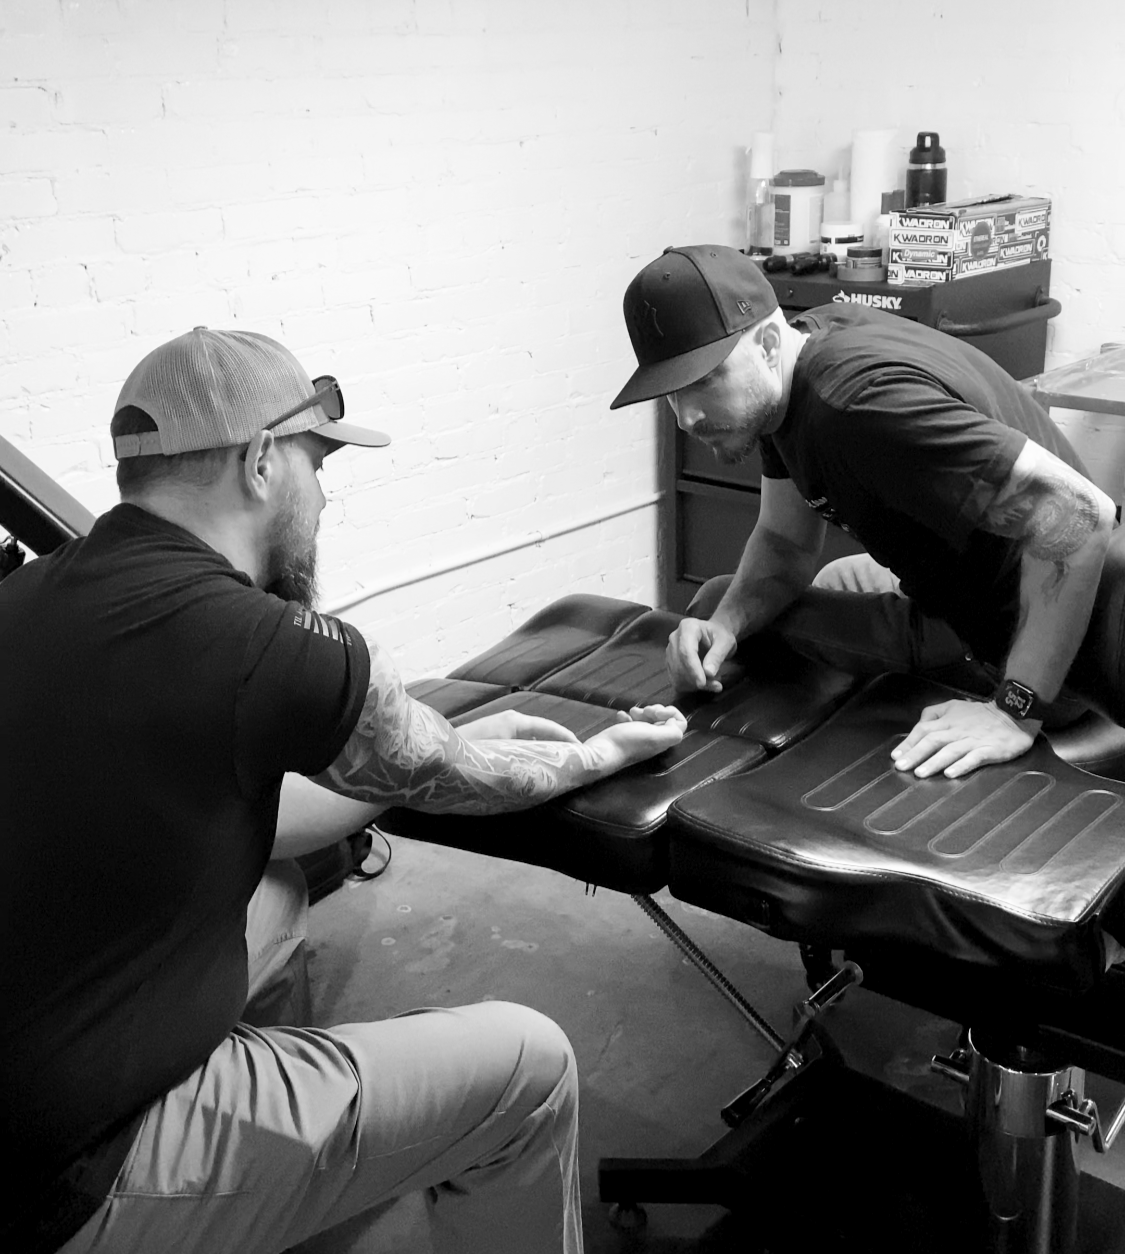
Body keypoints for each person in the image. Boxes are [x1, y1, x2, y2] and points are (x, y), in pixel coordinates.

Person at [0, 326, 687, 1254]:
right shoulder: (265, 645)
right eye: (317, 463)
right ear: (258, 465)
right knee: (529, 1068)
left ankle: (272, 1204)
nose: (322, 494)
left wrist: (434, 751)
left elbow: (273, 808)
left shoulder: (32, 599)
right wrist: (600, 752)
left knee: (276, 900)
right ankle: (201, 1189)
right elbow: (455, 778)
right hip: (73, 1177)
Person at [610, 243, 1125, 781]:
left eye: (704, 380)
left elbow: (1079, 514)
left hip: (1039, 647)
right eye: (671, 392)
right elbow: (785, 544)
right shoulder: (791, 366)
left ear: (764, 344)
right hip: (963, 592)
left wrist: (1014, 712)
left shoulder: (857, 408)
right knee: (736, 605)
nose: (688, 415)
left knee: (731, 600)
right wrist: (725, 626)